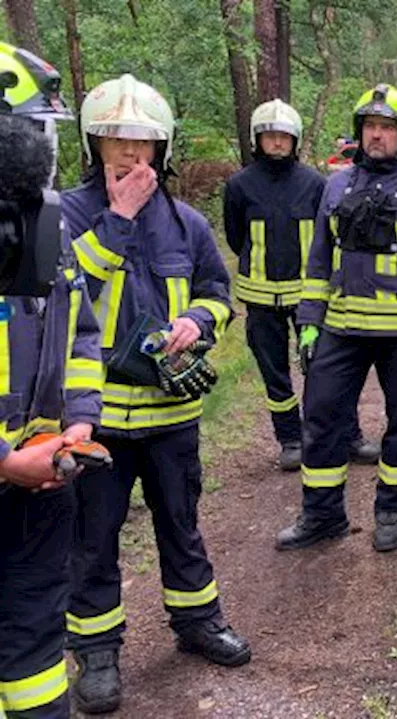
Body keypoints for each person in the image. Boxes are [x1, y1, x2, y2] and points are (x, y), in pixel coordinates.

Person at [63, 74, 248, 714]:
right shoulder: (66, 215)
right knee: (93, 537)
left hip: (173, 415)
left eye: (142, 140)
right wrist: (116, 221)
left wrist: (197, 323)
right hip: (96, 421)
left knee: (182, 524)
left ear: (162, 148)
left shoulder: (188, 223)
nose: (129, 152)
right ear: (94, 144)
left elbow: (218, 295)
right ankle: (98, 651)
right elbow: (63, 297)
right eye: (115, 138)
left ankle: (197, 623)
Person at [277, 84, 397, 553]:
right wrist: (309, 322)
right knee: (321, 417)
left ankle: (390, 510)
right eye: (369, 127)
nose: (376, 136)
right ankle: (322, 515)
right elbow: (319, 259)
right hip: (342, 329)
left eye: (386, 128)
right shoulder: (336, 186)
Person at [0, 43, 103, 719]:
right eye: (35, 127)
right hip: (16, 470)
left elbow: (82, 334)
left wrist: (79, 418)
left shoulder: (47, 221)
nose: (46, 144)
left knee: (37, 646)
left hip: (41, 488)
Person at [224, 99, 351, 472]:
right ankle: (290, 439)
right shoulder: (239, 186)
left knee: (324, 367)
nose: (277, 143)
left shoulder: (315, 183)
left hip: (307, 298)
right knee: (274, 372)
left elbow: (327, 238)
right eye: (270, 136)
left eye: (284, 137)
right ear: (257, 140)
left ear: (294, 141)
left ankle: (334, 434)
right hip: (260, 300)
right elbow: (236, 237)